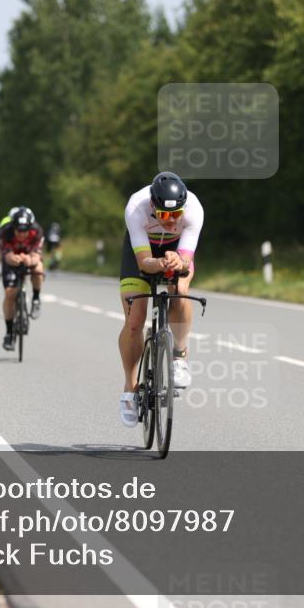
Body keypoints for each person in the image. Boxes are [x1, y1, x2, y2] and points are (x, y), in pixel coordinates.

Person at [118, 171, 204, 427]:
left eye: (176, 214)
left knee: (180, 289)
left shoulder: (194, 209)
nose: (170, 220)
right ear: (153, 207)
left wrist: (179, 261)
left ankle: (179, 356)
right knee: (134, 321)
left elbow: (186, 258)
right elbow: (144, 261)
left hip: (176, 249)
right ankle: (130, 386)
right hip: (143, 252)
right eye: (164, 215)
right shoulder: (136, 206)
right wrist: (157, 263)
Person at [0, 206, 45, 350]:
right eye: (19, 230)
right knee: (9, 294)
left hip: (29, 257)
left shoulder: (37, 231)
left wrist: (30, 260)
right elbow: (7, 256)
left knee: (38, 269)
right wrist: (16, 259)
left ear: (30, 228)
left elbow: (37, 256)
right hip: (12, 259)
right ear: (14, 227)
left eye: (25, 230)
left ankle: (36, 298)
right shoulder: (6, 232)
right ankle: (9, 332)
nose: (22, 234)